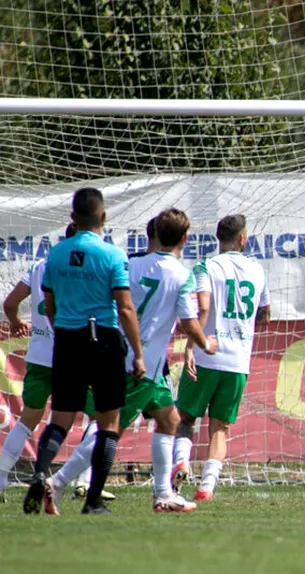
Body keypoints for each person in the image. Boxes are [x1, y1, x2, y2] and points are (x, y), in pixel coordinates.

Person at [46, 209, 217, 513]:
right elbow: (189, 321)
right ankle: (56, 483)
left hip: (126, 355)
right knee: (110, 431)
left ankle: (163, 494)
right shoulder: (181, 273)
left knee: (169, 420)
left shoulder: (129, 262)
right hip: (140, 365)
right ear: (184, 238)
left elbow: (116, 301)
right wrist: (206, 343)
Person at [24, 188, 146, 515]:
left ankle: (39, 475)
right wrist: (138, 353)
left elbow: (49, 304)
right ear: (103, 216)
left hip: (67, 339)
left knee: (61, 418)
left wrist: (64, 328)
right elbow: (125, 307)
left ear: (72, 218)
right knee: (108, 423)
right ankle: (92, 501)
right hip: (103, 338)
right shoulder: (112, 255)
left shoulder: (57, 254)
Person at [173, 214, 270, 502]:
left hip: (207, 355)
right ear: (243, 238)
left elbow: (200, 311)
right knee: (220, 428)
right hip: (238, 361)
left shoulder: (205, 267)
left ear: (218, 239)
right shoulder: (257, 269)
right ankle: (207, 487)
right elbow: (265, 314)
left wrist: (191, 346)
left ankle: (181, 462)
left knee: (186, 418)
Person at [0, 225, 94, 505]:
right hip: (73, 356)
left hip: (40, 357)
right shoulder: (85, 266)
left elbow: (9, 303)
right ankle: (81, 481)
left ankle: (1, 479)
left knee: (28, 420)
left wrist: (16, 323)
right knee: (102, 417)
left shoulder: (42, 265)